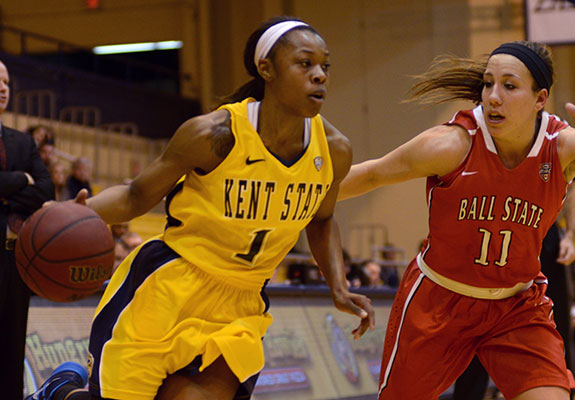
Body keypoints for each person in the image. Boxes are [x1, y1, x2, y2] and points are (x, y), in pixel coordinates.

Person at [27, 16, 374, 400]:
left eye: (325, 65)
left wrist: (338, 286)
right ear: (267, 69)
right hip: (169, 286)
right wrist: (80, 211)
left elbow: (322, 220)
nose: (320, 75)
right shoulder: (214, 135)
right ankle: (61, 390)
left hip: (242, 301)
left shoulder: (334, 150)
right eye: (305, 63)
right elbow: (136, 196)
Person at [339, 41, 575, 399]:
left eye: (509, 85)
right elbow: (372, 174)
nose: (493, 96)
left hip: (516, 305)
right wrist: (302, 197)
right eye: (488, 84)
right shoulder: (453, 144)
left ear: (540, 98)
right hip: (440, 300)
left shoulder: (562, 144)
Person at [453, 174, 575, 400]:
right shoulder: (480, 141)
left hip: (541, 230)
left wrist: (570, 236)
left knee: (557, 323)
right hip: (488, 229)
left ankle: (559, 391)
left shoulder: (558, 139)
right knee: (476, 317)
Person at [0, 60, 54, 400]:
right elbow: (32, 184)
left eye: (6, 81)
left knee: (10, 343)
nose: (3, 87)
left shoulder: (22, 141)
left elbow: (46, 189)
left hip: (14, 258)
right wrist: (22, 179)